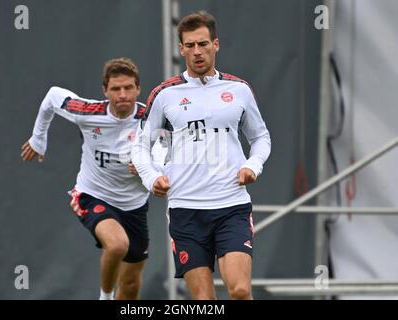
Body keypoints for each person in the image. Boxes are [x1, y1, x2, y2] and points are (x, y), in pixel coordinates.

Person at [131, 11, 271, 300]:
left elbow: (260, 138)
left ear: (216, 45)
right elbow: (140, 146)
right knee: (205, 301)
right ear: (181, 48)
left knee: (242, 291)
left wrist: (252, 165)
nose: (197, 52)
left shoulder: (239, 89)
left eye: (203, 44)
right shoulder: (165, 94)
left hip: (232, 204)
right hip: (186, 209)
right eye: (190, 45)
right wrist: (152, 177)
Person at [21, 58, 154, 300]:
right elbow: (52, 96)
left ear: (138, 89)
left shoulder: (152, 119)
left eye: (128, 88)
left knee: (132, 286)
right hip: (92, 195)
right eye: (115, 88)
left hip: (135, 207)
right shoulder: (87, 112)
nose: (122, 94)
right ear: (105, 90)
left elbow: (173, 152)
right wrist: (38, 139)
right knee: (116, 245)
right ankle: (105, 297)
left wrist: (150, 165)